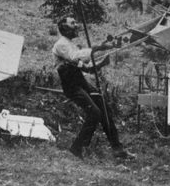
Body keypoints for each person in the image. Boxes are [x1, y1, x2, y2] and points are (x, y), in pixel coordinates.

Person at [52, 15, 135, 160]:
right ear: (63, 27)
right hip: (72, 86)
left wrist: (102, 62)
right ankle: (77, 149)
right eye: (73, 23)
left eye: (76, 22)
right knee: (95, 113)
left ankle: (117, 149)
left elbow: (86, 68)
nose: (76, 25)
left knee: (103, 107)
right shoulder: (61, 45)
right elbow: (75, 57)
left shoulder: (71, 44)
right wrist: (97, 48)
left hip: (81, 83)